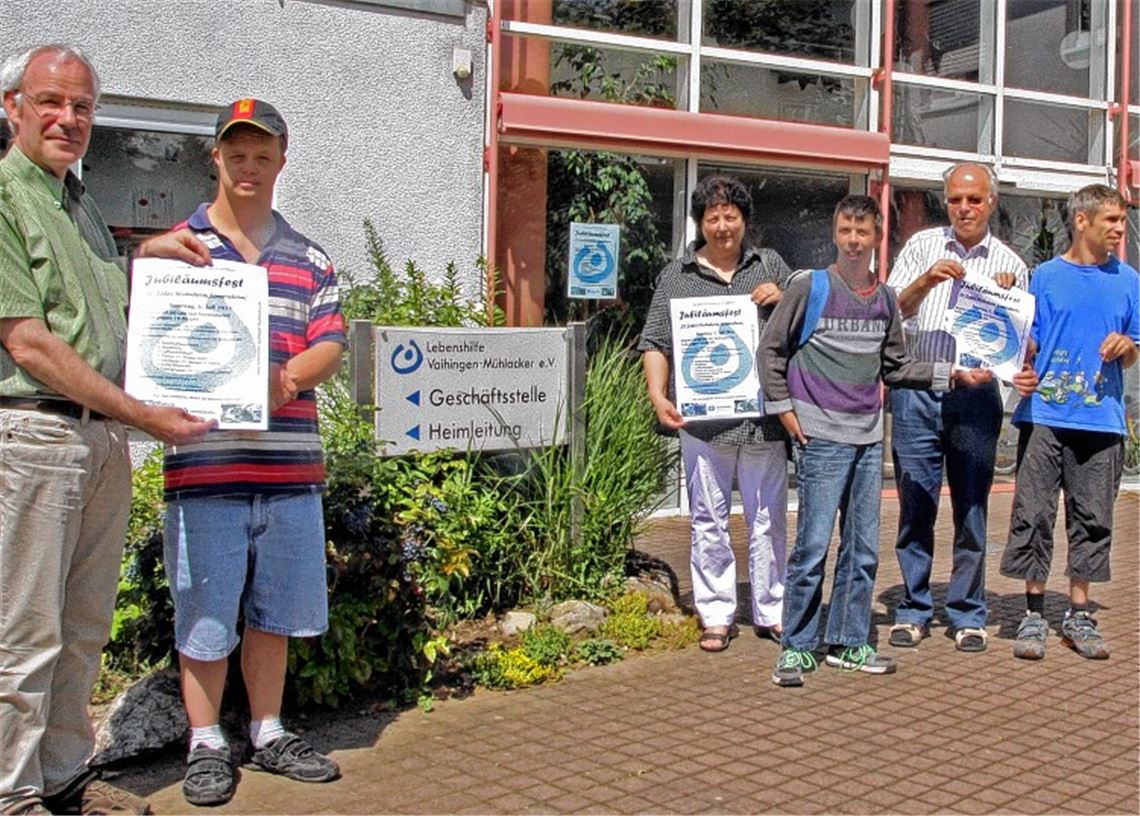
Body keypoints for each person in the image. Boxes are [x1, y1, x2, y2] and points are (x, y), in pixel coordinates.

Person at [0, 43, 214, 815]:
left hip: (96, 443)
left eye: (84, 107)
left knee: (83, 627)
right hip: (36, 440)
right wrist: (143, 414)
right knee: (23, 639)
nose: (70, 119)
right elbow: (29, 341)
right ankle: (12, 797)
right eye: (51, 102)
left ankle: (61, 782)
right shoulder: (4, 196)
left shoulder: (77, 201)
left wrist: (144, 255)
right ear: (12, 105)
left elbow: (91, 303)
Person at [759, 195, 1030, 688]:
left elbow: (896, 367)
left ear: (876, 239)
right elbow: (771, 349)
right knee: (813, 547)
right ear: (834, 234)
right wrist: (784, 410)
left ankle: (848, 641)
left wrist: (954, 374)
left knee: (863, 550)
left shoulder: (884, 299)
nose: (854, 240)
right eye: (846, 231)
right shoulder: (810, 287)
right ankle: (796, 646)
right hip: (820, 438)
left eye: (863, 232)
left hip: (866, 438)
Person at [162, 99, 346, 806]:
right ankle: (206, 743)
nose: (248, 165)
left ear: (281, 160)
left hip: (289, 471)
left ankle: (267, 732)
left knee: (274, 613)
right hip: (203, 471)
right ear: (215, 157)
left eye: (261, 153)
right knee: (205, 616)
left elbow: (330, 337)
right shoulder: (179, 250)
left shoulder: (309, 257)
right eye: (236, 152)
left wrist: (288, 379)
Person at [639, 175, 792, 652]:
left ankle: (772, 610)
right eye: (713, 216)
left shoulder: (770, 266)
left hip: (764, 418)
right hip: (703, 422)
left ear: (745, 221)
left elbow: (804, 322)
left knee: (769, 517)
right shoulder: (676, 275)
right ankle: (717, 614)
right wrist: (657, 395)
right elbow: (655, 340)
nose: (723, 225)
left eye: (732, 215)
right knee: (709, 517)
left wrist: (785, 298)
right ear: (700, 222)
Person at [885, 162, 1029, 653]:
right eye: (955, 200)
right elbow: (892, 310)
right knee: (915, 501)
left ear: (991, 202)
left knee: (971, 506)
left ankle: (968, 610)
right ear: (944, 202)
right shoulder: (922, 247)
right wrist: (927, 281)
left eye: (974, 199)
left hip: (975, 398)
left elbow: (1017, 343)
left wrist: (1010, 299)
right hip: (919, 390)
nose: (964, 208)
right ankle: (914, 607)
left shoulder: (1011, 263)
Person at [1001, 184, 1138, 661]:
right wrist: (1008, 318)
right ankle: (1034, 613)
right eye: (1112, 221)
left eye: (1122, 221)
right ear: (1082, 221)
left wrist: (1126, 347)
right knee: (1034, 514)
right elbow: (1027, 341)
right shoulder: (1044, 277)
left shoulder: (1129, 280)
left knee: (1093, 518)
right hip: (1044, 416)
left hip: (1102, 421)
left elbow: (1135, 347)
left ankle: (1078, 613)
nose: (1120, 229)